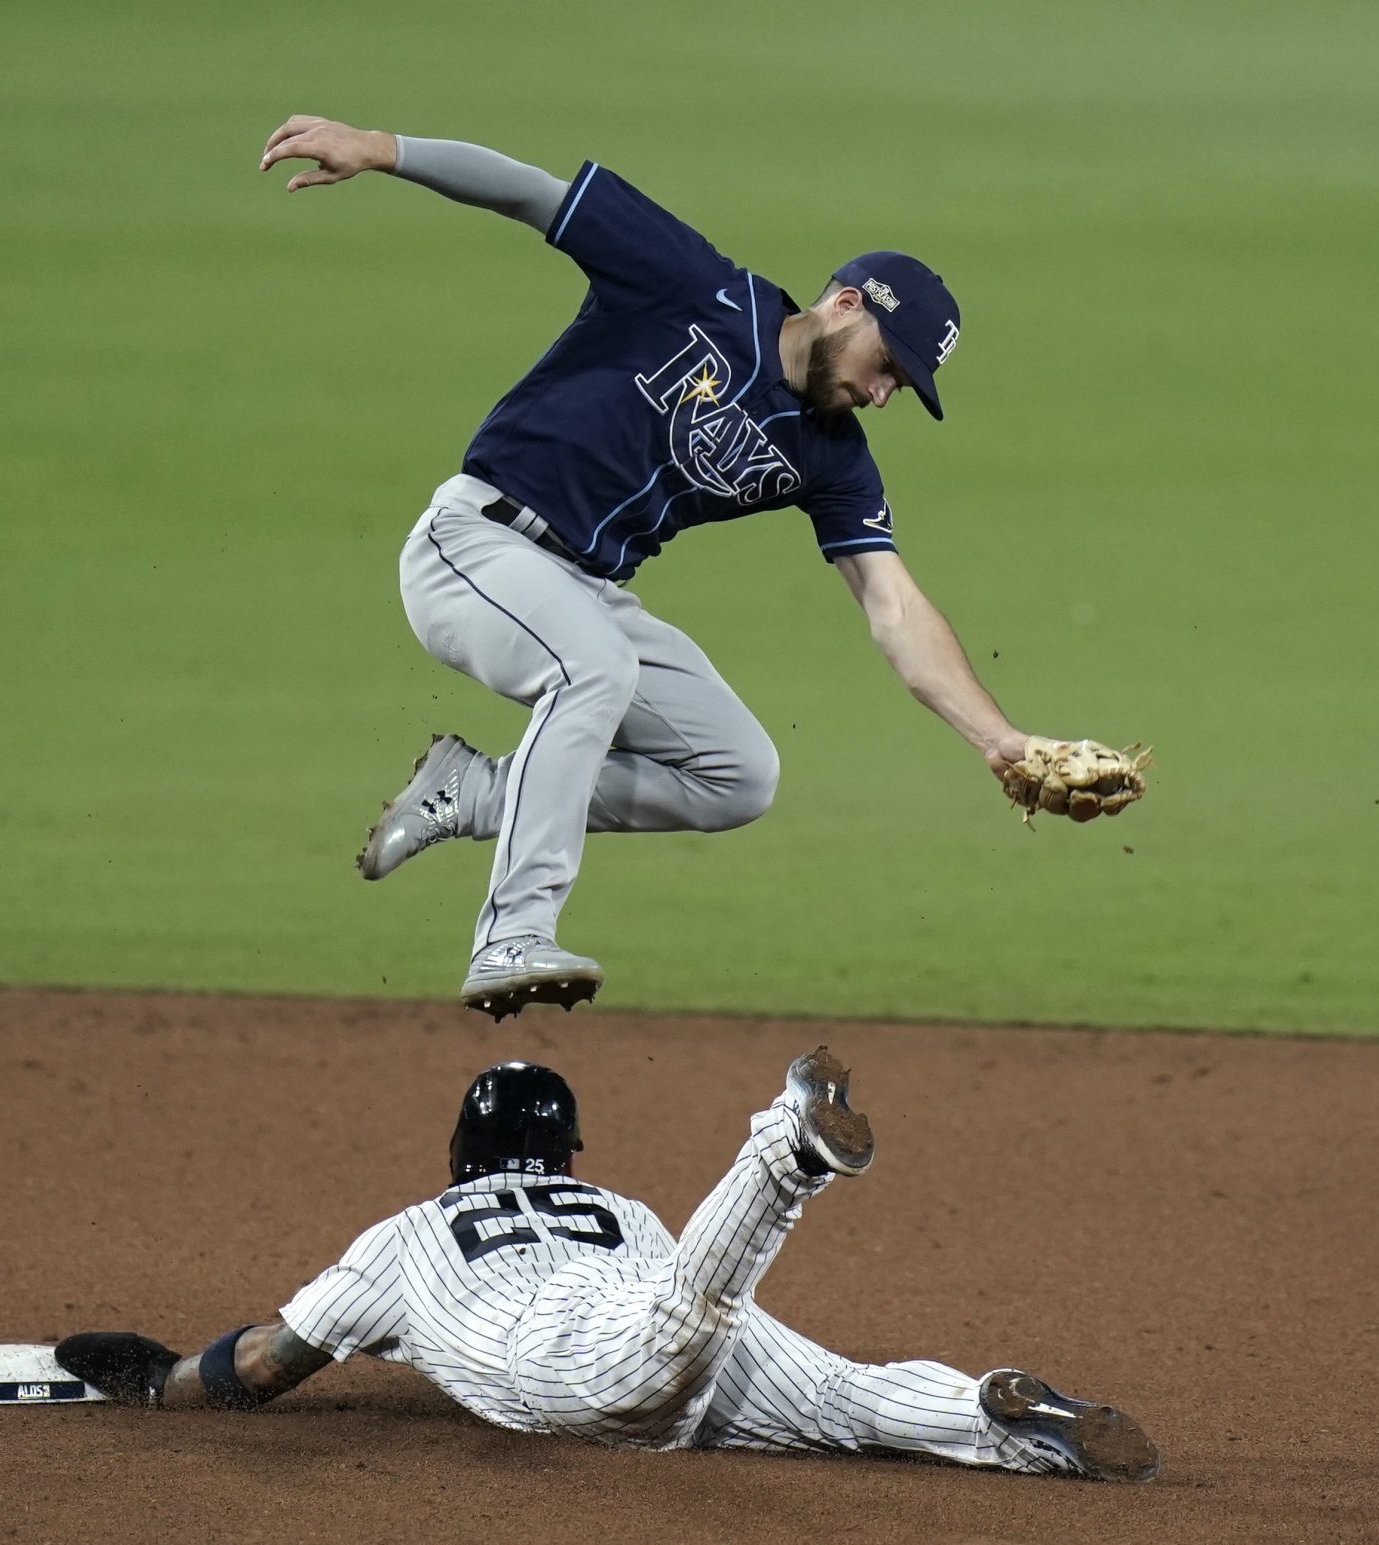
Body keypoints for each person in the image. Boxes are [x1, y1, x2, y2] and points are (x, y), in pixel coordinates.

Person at [260, 115, 1096, 1017]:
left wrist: (999, 742)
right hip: (472, 546)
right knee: (597, 668)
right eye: (888, 366)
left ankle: (476, 792)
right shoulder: (693, 285)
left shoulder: (832, 455)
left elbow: (893, 606)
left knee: (739, 773)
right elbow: (530, 192)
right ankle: (512, 930)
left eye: (902, 388)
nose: (882, 394)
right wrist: (383, 150)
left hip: (579, 588)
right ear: (847, 303)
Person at [56, 1051, 1157, 1482]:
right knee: (840, 1395)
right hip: (649, 1310)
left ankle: (785, 1149)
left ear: (457, 1155)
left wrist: (164, 1379)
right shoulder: (614, 1203)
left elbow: (266, 1363)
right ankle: (997, 1418)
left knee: (689, 1317)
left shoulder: (401, 1237)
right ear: (569, 1154)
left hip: (576, 1359)